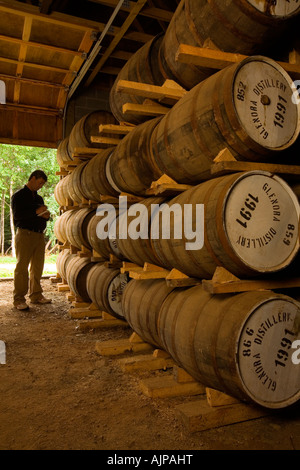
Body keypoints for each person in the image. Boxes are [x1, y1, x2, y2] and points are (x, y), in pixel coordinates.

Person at [11, 170, 52, 310]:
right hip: (25, 235)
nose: (41, 186)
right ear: (33, 178)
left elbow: (42, 214)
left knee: (37, 267)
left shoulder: (39, 198)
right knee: (22, 268)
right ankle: (19, 299)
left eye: (43, 184)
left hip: (39, 236)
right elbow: (18, 216)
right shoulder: (19, 196)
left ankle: (36, 295)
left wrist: (46, 215)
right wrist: (36, 212)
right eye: (40, 182)